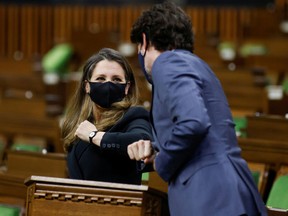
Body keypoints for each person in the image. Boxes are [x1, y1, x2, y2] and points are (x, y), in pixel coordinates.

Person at [127, 1, 267, 215]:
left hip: (210, 200)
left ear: (144, 41)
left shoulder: (167, 63)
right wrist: (157, 149)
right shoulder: (196, 65)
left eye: (138, 47)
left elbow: (193, 123)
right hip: (227, 195)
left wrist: (162, 162)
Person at [61, 48, 153, 185]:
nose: (108, 84)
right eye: (100, 78)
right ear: (87, 86)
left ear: (127, 87)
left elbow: (142, 140)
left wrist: (94, 136)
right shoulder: (79, 123)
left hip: (118, 203)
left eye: (116, 79)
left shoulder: (134, 115)